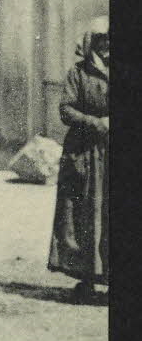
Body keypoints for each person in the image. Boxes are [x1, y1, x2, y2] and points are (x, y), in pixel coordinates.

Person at [48, 16, 109, 302]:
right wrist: (97, 123)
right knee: (83, 215)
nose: (107, 46)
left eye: (110, 41)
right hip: (84, 153)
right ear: (92, 44)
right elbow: (66, 110)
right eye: (101, 41)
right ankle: (86, 279)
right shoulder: (78, 73)